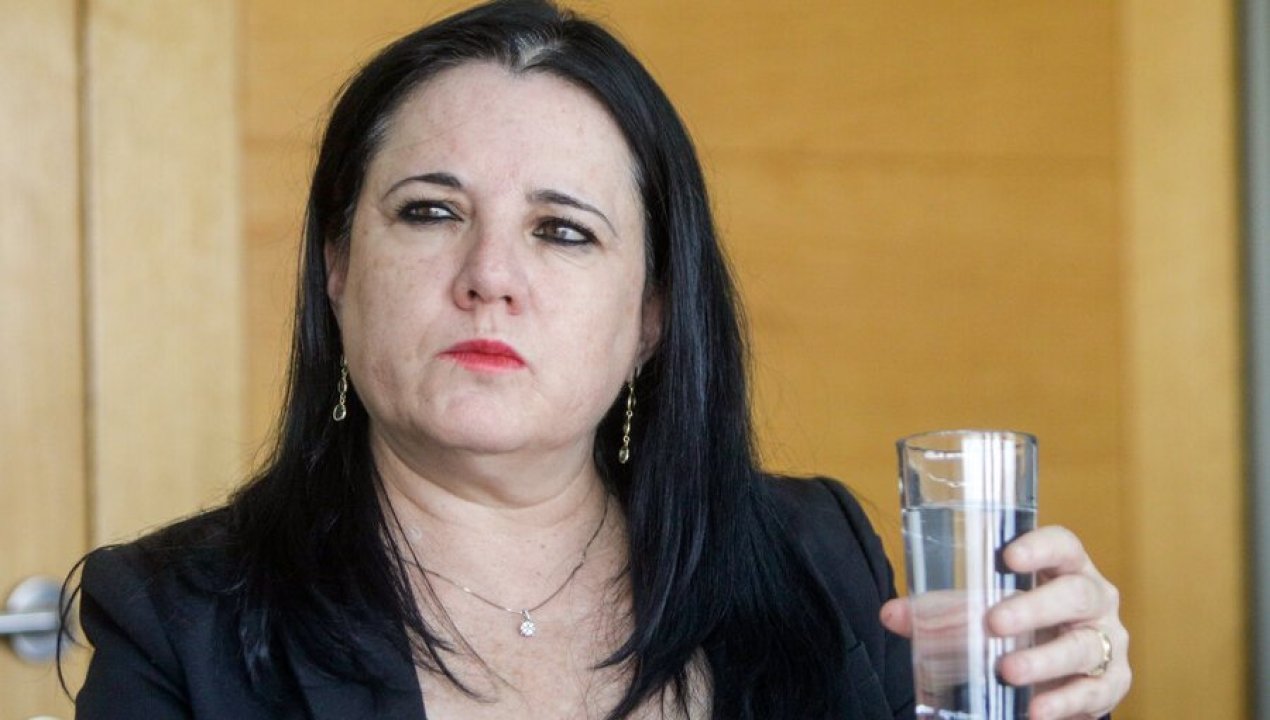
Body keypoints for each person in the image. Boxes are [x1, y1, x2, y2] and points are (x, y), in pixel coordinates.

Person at [70, 1, 1131, 718]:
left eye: (563, 231)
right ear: (339, 269)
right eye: (431, 212)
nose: (490, 275)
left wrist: (1058, 693)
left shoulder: (815, 559)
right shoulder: (178, 621)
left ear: (651, 315)